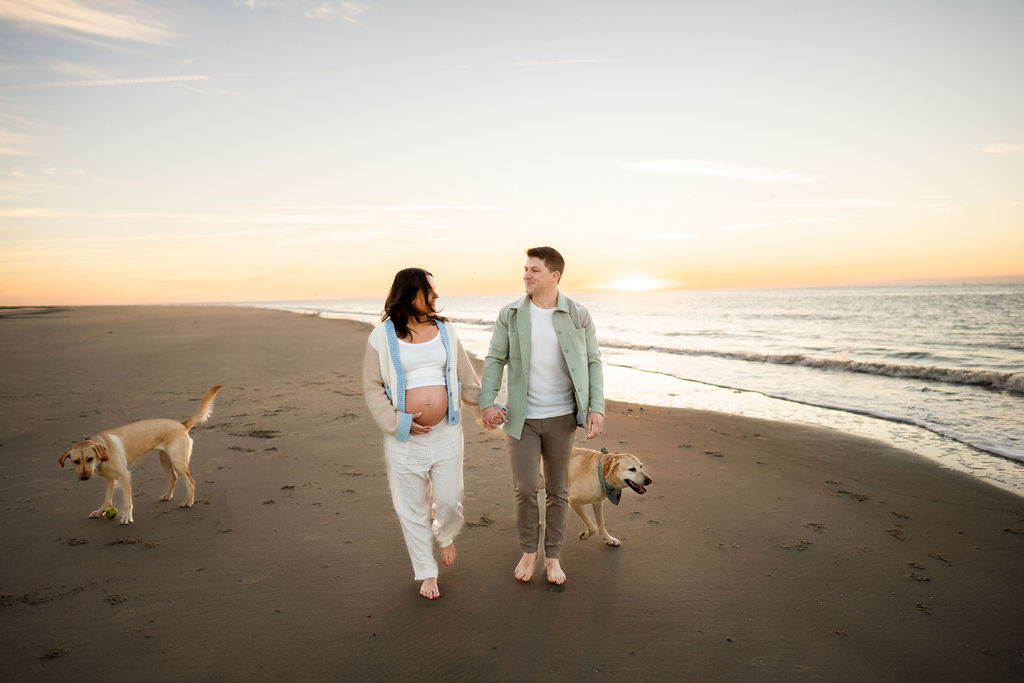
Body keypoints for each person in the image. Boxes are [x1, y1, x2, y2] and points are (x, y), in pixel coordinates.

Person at [479, 247, 604, 585]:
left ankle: (553, 557)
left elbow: (593, 362)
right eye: (525, 269)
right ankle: (529, 551)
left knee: (559, 491)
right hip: (522, 417)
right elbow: (494, 359)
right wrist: (487, 401)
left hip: (563, 417)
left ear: (554, 275)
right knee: (524, 488)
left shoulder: (578, 314)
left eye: (534, 270)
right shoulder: (511, 314)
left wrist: (595, 407)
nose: (527, 275)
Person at [363, 268, 481, 599]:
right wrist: (399, 422)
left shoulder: (445, 329)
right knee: (410, 507)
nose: (436, 296)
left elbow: (467, 378)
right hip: (404, 439)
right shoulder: (382, 335)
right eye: (430, 290)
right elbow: (372, 388)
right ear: (412, 292)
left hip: (445, 432)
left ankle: (445, 534)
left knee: (448, 498)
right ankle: (427, 573)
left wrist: (486, 409)